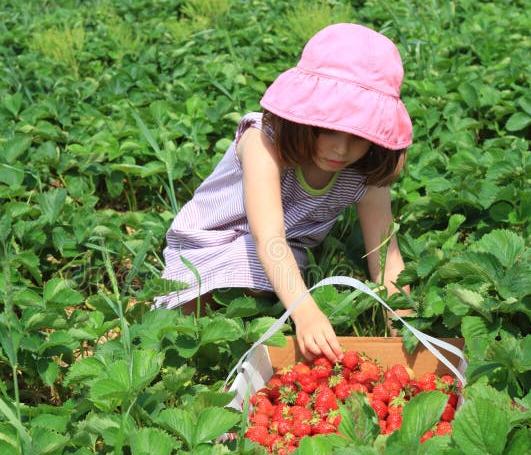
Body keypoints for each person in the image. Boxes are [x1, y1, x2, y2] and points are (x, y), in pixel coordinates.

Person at [154, 23, 412, 363]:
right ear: (303, 114)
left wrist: (406, 336)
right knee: (244, 269)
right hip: (214, 244)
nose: (340, 148)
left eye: (359, 135)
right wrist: (305, 312)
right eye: (326, 128)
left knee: (266, 277)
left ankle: (247, 319)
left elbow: (386, 259)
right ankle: (186, 335)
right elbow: (268, 238)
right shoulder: (263, 143)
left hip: (282, 257)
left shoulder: (364, 172)